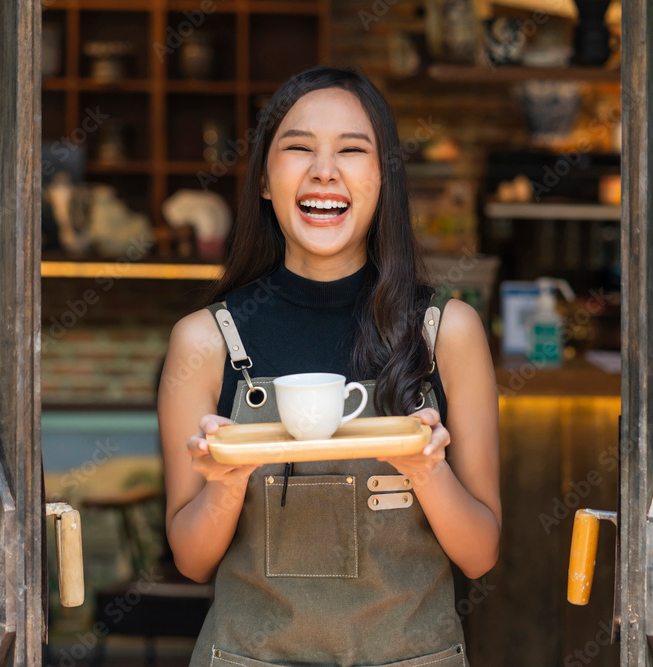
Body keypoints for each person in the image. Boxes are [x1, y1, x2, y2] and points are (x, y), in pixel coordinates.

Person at [158, 65, 500, 667]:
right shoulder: (206, 342)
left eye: (352, 150)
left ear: (383, 179)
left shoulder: (446, 333)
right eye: (298, 149)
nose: (324, 169)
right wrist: (226, 482)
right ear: (265, 180)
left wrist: (426, 472)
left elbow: (480, 552)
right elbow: (191, 559)